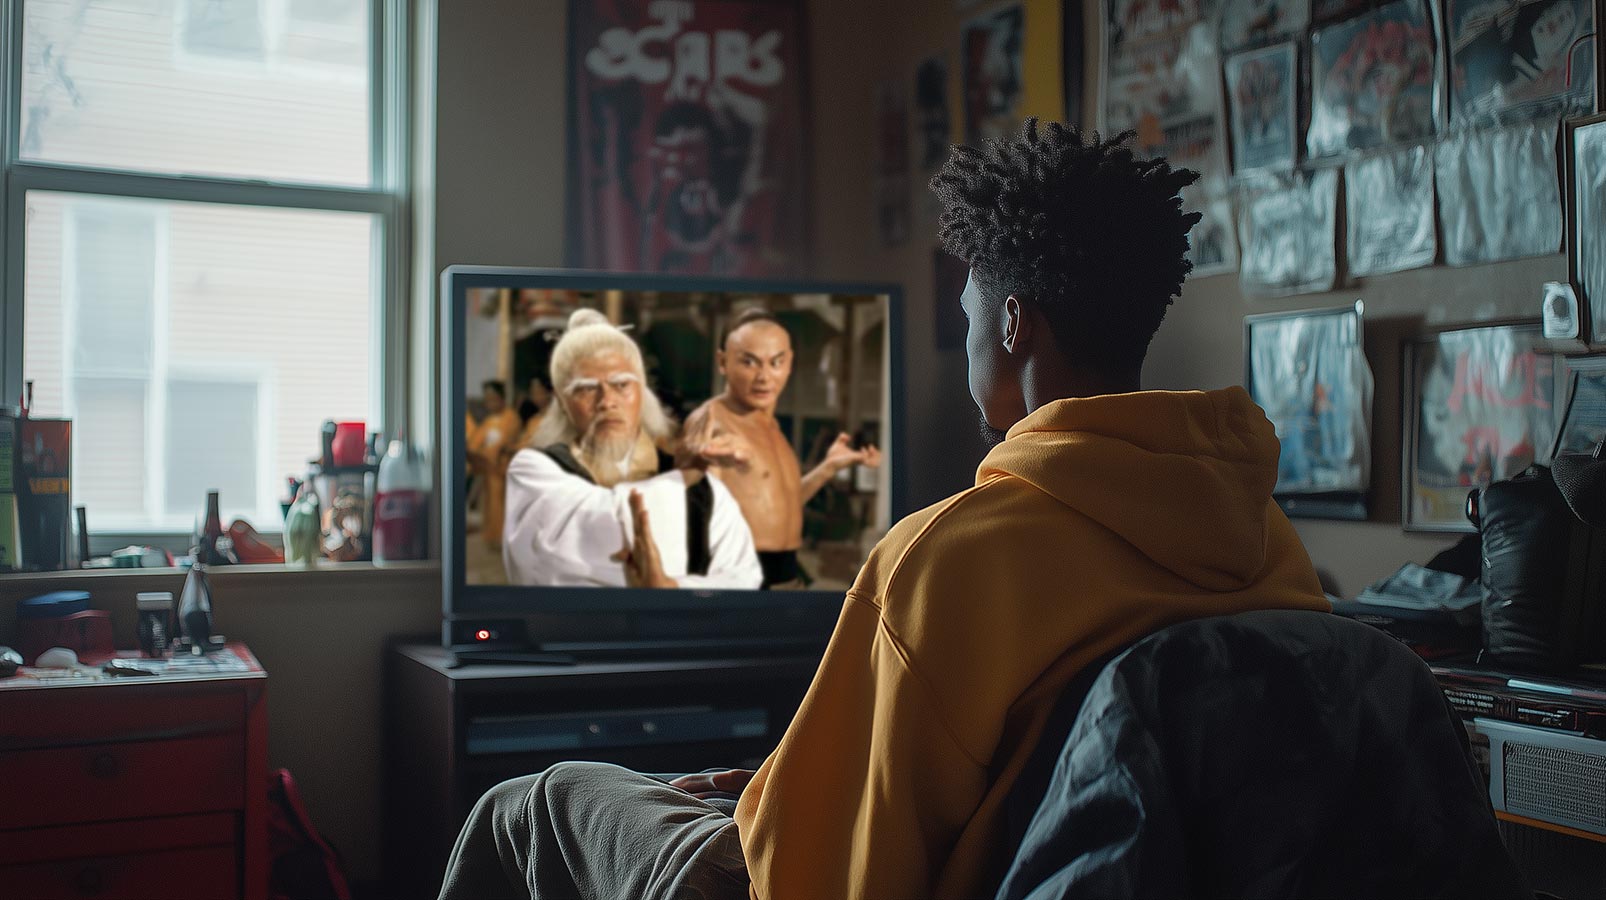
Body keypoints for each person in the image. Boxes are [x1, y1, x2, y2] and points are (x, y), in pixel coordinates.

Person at [438, 119, 1331, 900]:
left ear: (1014, 323)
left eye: (970, 307)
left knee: (533, 801)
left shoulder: (946, 557)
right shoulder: (1263, 540)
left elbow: (821, 881)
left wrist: (770, 812)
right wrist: (789, 785)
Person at [501, 309, 762, 590]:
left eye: (621, 384)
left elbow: (743, 580)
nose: (607, 401)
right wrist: (684, 477)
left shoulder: (706, 490)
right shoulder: (534, 470)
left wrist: (671, 587)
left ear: (642, 393)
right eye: (586, 389)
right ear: (563, 404)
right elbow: (572, 543)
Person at [679, 309, 881, 588]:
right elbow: (682, 482)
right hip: (741, 577)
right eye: (749, 362)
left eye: (775, 362)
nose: (764, 377)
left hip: (785, 575)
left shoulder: (769, 426)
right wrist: (699, 459)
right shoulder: (711, 419)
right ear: (723, 362)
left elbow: (786, 502)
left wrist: (828, 467)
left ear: (789, 364)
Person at [466, 381, 520, 549]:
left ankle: (503, 539)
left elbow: (504, 443)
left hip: (502, 471)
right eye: (487, 399)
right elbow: (475, 441)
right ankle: (492, 537)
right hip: (488, 470)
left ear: (502, 398)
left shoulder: (511, 418)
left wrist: (486, 455)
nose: (491, 403)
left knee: (502, 505)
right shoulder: (489, 421)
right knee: (489, 504)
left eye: (494, 399)